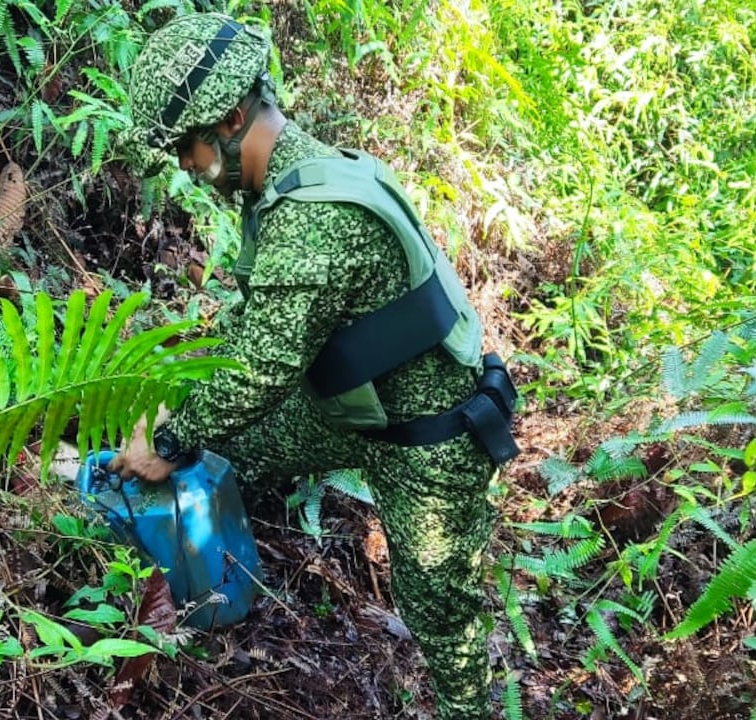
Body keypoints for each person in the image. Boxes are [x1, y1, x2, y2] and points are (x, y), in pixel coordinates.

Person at [107, 12, 520, 720]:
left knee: (441, 620)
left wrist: (169, 439)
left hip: (430, 442)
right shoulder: (290, 180)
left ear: (231, 119)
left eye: (187, 150)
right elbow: (256, 332)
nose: (187, 168)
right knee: (230, 447)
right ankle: (211, 582)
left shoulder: (312, 220)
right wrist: (181, 419)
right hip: (354, 406)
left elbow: (260, 372)